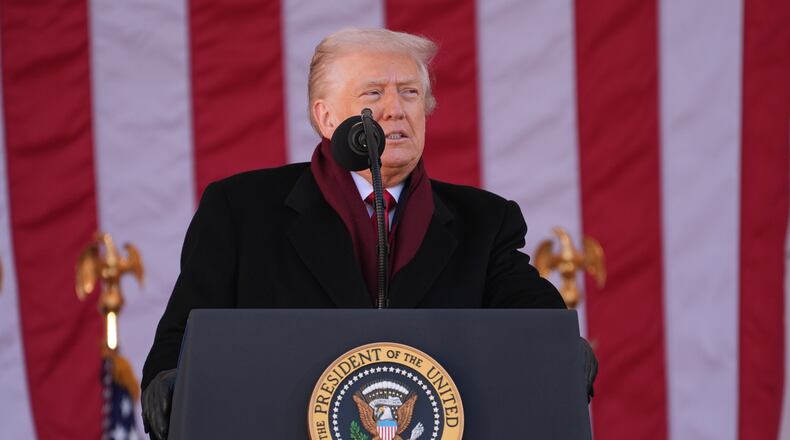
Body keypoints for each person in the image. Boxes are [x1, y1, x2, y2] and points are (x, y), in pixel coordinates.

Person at [141, 27, 596, 439]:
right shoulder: (241, 209)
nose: (395, 109)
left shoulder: (485, 219)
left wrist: (560, 347)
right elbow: (185, 333)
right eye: (373, 93)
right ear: (324, 117)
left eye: (411, 93)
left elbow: (532, 316)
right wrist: (167, 377)